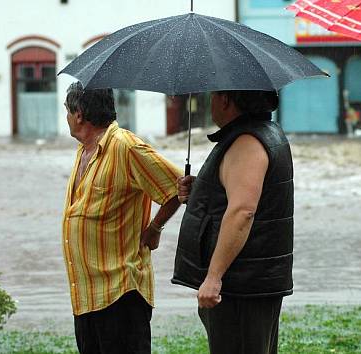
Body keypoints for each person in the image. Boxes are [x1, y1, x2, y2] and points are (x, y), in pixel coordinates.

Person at [61, 82, 182, 354]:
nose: (66, 117)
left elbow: (177, 187)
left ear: (79, 113)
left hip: (120, 294)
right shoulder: (85, 150)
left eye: (67, 110)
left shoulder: (126, 147)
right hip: (87, 295)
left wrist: (155, 227)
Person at [173, 90, 294, 354]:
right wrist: (202, 191)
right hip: (252, 283)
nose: (210, 102)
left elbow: (243, 211)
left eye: (213, 95)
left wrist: (214, 277)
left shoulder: (248, 143)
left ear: (225, 99)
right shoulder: (263, 133)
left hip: (241, 286)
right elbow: (244, 198)